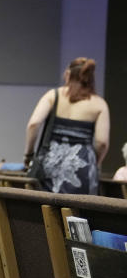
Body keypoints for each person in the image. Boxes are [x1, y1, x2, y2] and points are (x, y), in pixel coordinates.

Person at [24, 57, 110, 194]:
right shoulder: (99, 104)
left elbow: (33, 124)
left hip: (49, 165)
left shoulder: (53, 95)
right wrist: (94, 162)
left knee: (46, 210)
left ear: (68, 74)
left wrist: (29, 154)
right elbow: (102, 143)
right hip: (82, 168)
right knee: (80, 212)